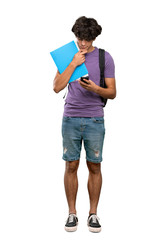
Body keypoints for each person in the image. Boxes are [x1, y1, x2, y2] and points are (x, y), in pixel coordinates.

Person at [53, 16, 116, 233]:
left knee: (94, 165)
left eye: (87, 39)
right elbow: (56, 87)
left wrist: (95, 89)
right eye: (79, 38)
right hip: (70, 117)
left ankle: (93, 214)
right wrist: (73, 63)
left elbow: (112, 92)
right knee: (70, 165)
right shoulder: (68, 55)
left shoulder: (104, 57)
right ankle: (72, 214)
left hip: (94, 118)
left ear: (94, 37)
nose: (83, 43)